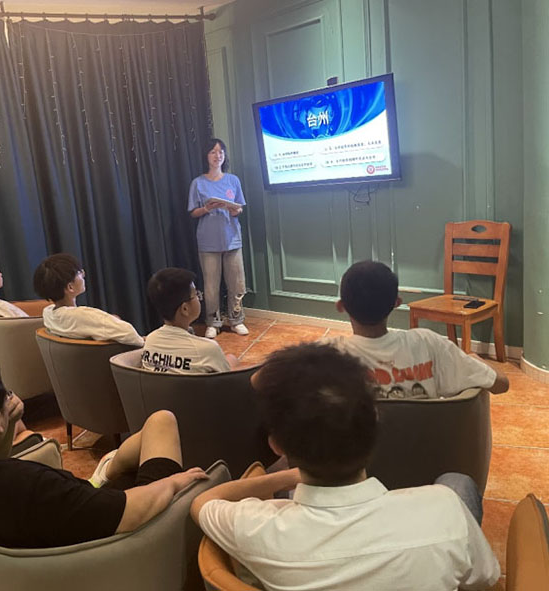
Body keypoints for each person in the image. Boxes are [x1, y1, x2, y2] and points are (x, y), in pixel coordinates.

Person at [191, 343, 500, 590]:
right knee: (457, 482)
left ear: (277, 446)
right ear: (376, 423)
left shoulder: (256, 527)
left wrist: (283, 478)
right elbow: (486, 578)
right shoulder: (445, 508)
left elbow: (203, 502)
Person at [0, 350, 206, 548]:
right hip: (124, 540)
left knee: (157, 425)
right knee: (163, 423)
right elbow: (132, 513)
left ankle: (107, 472)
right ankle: (107, 473)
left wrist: (6, 423)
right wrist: (173, 482)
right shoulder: (34, 488)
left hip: (76, 516)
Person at [329, 260, 509, 398]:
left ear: (341, 306)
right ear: (396, 303)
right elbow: (501, 384)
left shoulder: (326, 358)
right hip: (422, 437)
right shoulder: (428, 343)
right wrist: (474, 360)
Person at [188, 138, 248, 339]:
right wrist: (207, 208)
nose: (217, 155)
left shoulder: (233, 180)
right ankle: (213, 322)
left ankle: (236, 319)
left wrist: (234, 210)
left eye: (221, 151)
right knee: (211, 286)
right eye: (213, 152)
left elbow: (239, 208)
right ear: (206, 156)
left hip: (232, 238)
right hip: (208, 241)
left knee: (237, 283)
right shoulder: (198, 183)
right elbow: (193, 212)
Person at [33, 253, 144, 347]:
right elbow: (130, 334)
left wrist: (109, 320)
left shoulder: (48, 314)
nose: (83, 274)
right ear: (70, 287)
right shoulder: (84, 316)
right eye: (79, 273)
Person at [143, 267, 238, 373]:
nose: (199, 298)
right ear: (185, 309)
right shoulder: (207, 349)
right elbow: (228, 379)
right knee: (232, 359)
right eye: (196, 294)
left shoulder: (150, 341)